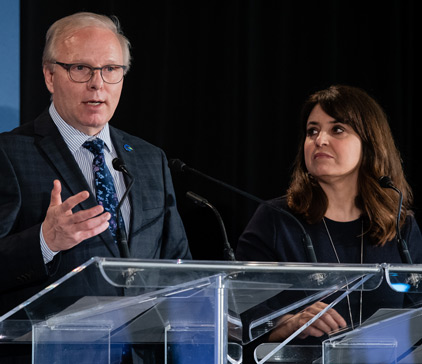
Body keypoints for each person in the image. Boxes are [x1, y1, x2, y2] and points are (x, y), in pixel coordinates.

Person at [0, 11, 191, 316]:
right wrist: (44, 241)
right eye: (80, 68)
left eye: (111, 69)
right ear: (50, 76)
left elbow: (179, 266)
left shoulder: (149, 159)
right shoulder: (8, 154)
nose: (97, 84)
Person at [236, 85, 422, 347]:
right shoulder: (275, 220)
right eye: (312, 131)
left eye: (337, 129)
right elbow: (237, 314)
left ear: (370, 142)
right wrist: (288, 324)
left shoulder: (401, 226)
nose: (319, 140)